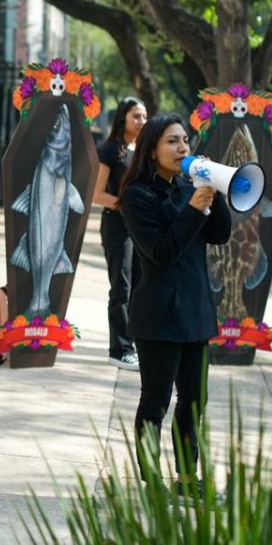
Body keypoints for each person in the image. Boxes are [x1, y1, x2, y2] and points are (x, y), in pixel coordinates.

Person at [119, 113, 231, 500]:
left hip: (197, 309)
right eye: (172, 141)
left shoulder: (188, 188)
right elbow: (162, 252)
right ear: (151, 149)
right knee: (156, 400)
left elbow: (220, 234)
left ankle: (187, 479)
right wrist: (194, 208)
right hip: (159, 313)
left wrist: (213, 192)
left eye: (185, 140)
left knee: (194, 400)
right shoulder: (136, 195)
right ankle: (152, 481)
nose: (182, 148)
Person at [92, 97, 147, 371]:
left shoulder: (146, 150)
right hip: (117, 226)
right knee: (121, 288)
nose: (141, 121)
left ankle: (134, 345)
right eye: (136, 116)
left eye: (144, 116)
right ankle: (119, 349)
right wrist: (126, 205)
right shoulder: (111, 150)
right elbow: (96, 194)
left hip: (142, 228)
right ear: (123, 117)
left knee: (140, 286)